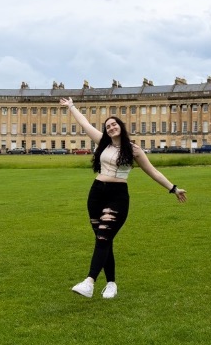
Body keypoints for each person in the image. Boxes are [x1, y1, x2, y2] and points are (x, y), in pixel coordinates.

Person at [60, 97, 187, 299]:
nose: (111, 128)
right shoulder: (103, 142)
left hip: (117, 197)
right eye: (107, 126)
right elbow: (84, 124)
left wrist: (173, 188)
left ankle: (89, 282)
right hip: (96, 194)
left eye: (114, 124)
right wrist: (71, 106)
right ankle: (111, 284)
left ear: (121, 126)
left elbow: (153, 172)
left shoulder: (134, 150)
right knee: (103, 239)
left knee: (103, 237)